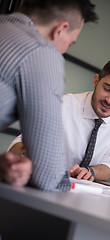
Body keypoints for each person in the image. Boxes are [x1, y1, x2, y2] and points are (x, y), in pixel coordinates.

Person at [0, 0, 97, 191]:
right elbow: (47, 176)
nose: (63, 51)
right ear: (60, 29)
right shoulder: (42, 51)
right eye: (70, 43)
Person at [8, 56, 110, 182]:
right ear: (96, 81)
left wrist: (90, 172)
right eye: (107, 89)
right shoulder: (63, 105)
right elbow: (17, 146)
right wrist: (28, 150)